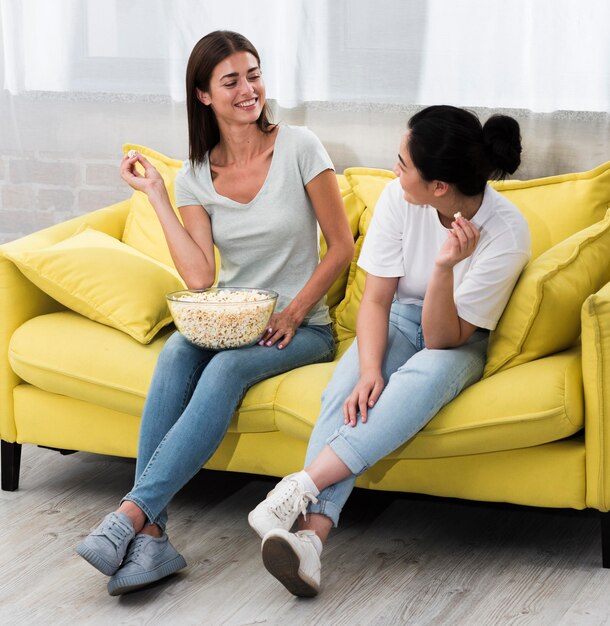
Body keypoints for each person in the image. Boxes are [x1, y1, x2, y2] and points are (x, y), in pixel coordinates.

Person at [76, 30, 354, 596]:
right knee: (178, 349)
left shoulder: (300, 146)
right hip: (232, 320)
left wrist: (298, 310)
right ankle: (153, 536)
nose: (248, 89)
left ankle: (131, 516)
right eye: (231, 81)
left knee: (225, 371)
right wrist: (157, 192)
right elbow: (201, 278)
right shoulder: (195, 175)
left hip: (304, 329)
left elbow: (342, 247)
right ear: (204, 95)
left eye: (253, 74)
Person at [248, 105, 531, 597]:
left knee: (415, 387)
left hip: (459, 338)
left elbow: (444, 338)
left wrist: (444, 267)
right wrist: (369, 369)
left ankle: (299, 486)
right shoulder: (398, 198)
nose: (394, 169)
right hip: (398, 317)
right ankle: (311, 544)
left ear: (439, 186)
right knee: (345, 394)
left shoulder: (507, 232)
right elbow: (377, 298)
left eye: (403, 162)